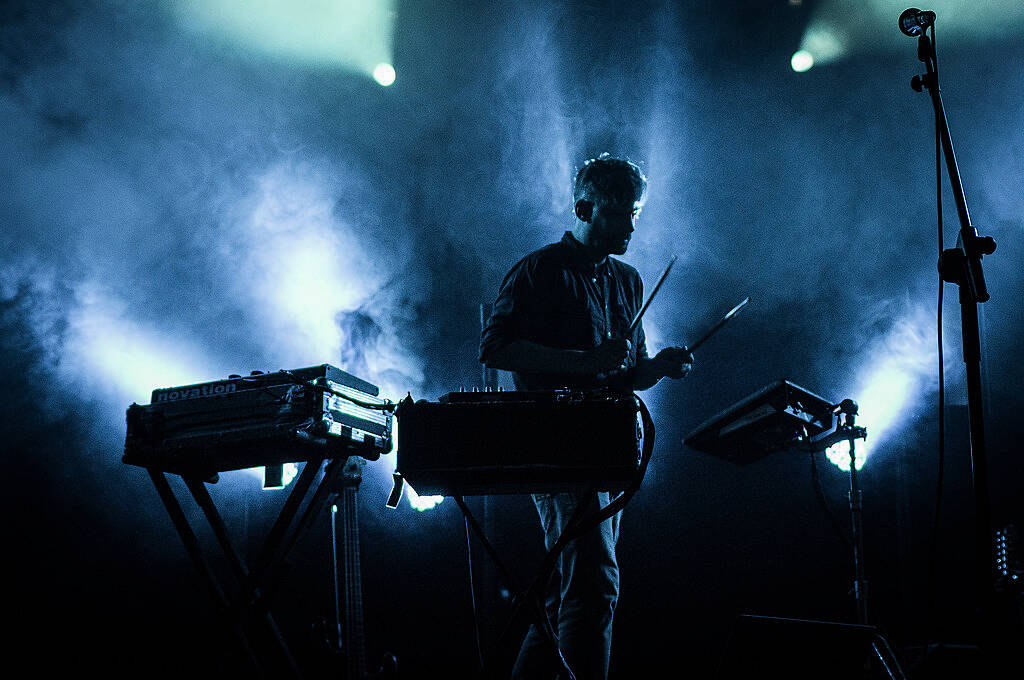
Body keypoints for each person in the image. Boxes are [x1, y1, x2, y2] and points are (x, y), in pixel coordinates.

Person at [479, 154, 694, 680]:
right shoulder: (540, 270)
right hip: (555, 447)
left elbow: (622, 373)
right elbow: (496, 346)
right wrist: (581, 362)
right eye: (618, 213)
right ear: (584, 207)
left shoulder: (629, 279)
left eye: (635, 213)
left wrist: (657, 369)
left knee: (568, 595)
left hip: (608, 449)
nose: (630, 226)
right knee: (594, 586)